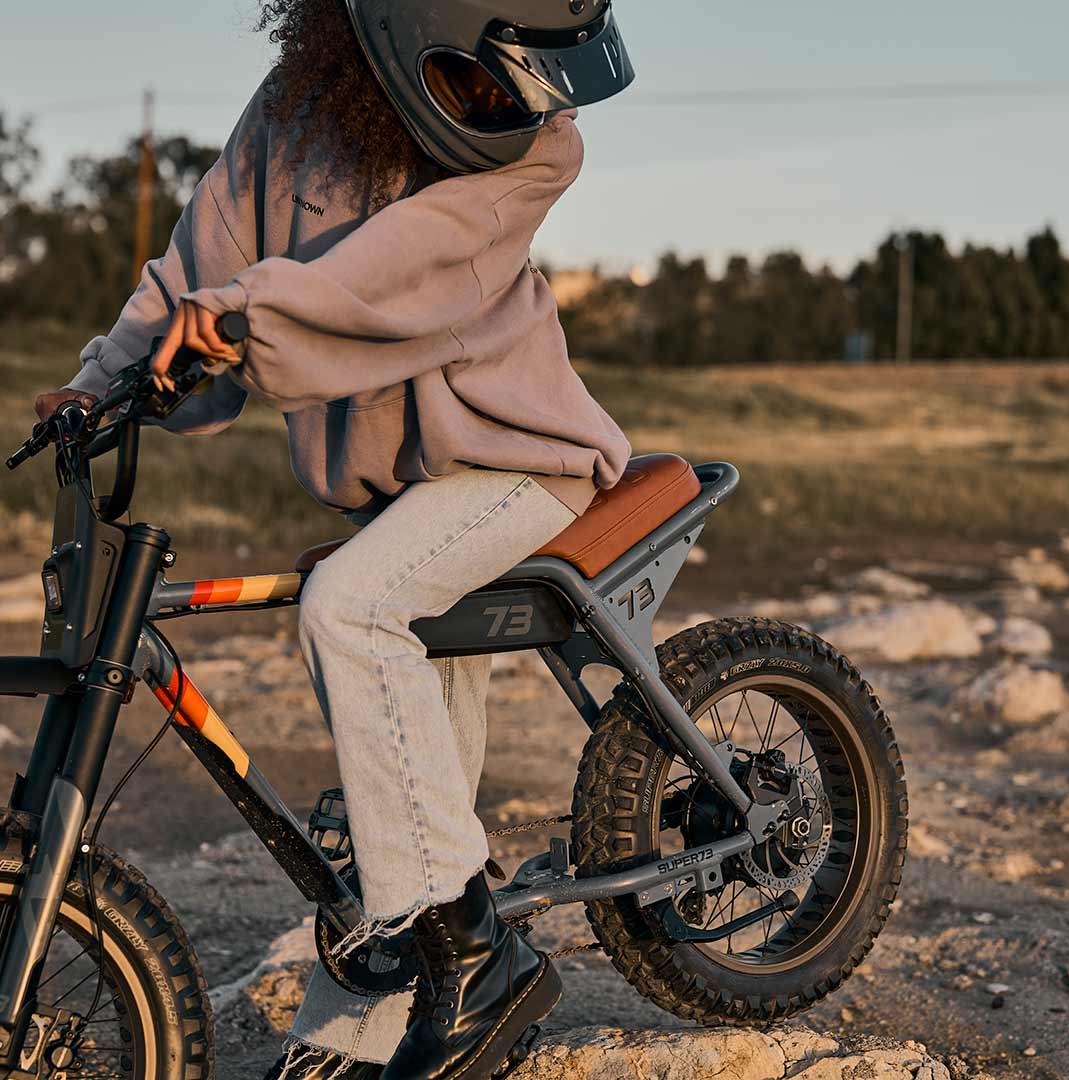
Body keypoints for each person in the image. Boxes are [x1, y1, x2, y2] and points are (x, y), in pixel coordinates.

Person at [35, 2, 635, 1078]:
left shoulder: (539, 153)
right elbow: (189, 267)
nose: (524, 107)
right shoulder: (296, 112)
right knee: (397, 781)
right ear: (417, 32)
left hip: (515, 462)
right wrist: (98, 385)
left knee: (350, 610)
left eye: (544, 85)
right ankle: (353, 1034)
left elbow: (402, 274)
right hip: (397, 493)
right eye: (501, 79)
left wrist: (242, 313)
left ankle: (477, 959)